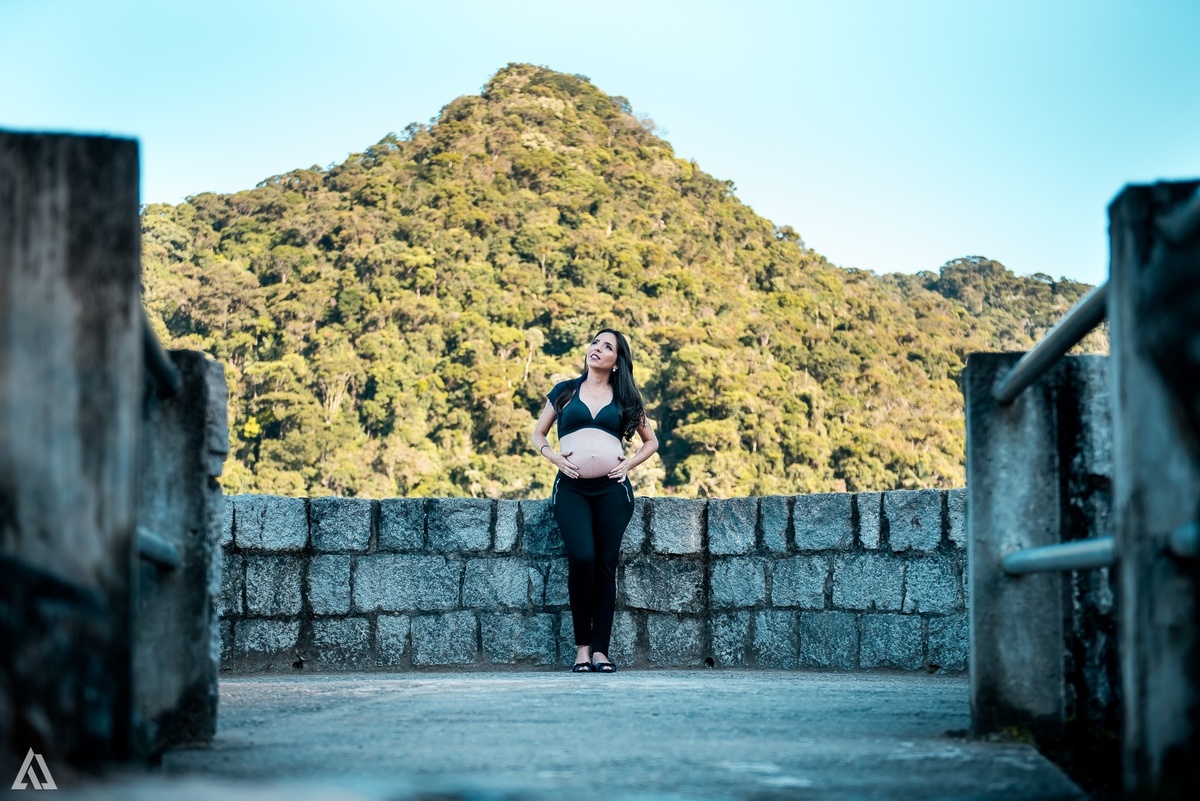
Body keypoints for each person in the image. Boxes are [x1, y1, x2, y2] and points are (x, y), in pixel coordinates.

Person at [531, 329, 659, 673]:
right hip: (571, 489)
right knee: (582, 557)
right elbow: (538, 434)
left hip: (613, 491)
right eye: (595, 343)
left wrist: (628, 464)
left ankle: (600, 651)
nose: (597, 349)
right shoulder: (565, 391)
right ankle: (582, 649)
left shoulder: (625, 398)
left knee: (605, 564)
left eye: (607, 347)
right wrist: (554, 458)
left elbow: (651, 442)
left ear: (617, 362)